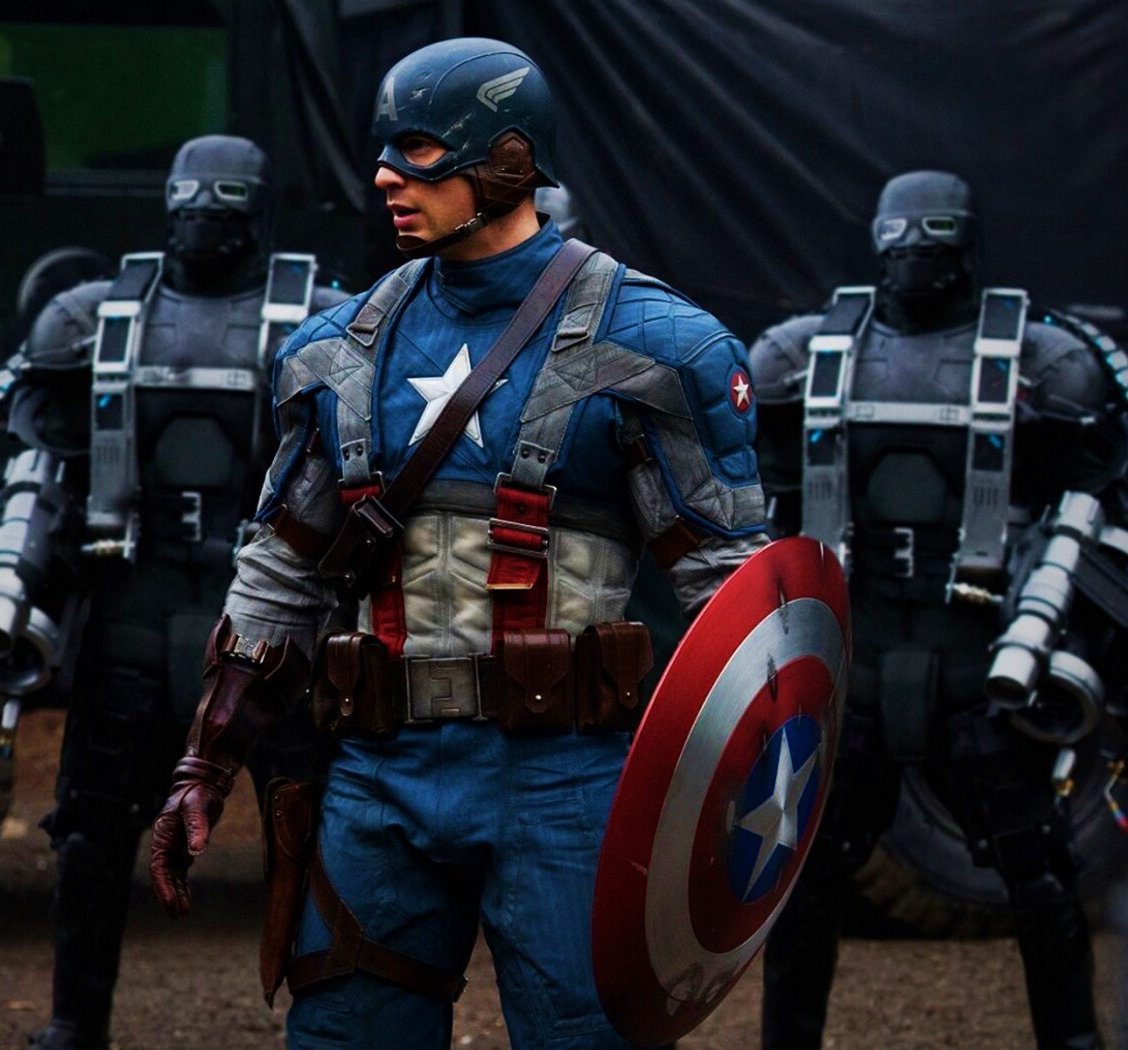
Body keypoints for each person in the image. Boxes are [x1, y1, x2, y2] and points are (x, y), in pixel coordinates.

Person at [147, 38, 769, 1049]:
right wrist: (202, 765)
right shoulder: (333, 351)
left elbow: (730, 596)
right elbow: (283, 569)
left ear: (510, 162)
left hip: (567, 780)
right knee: (346, 1036)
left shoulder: (659, 348)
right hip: (377, 772)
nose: (386, 176)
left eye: (421, 150)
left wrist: (756, 789)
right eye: (383, 151)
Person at [748, 170, 1128, 1050]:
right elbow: (763, 499)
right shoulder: (805, 353)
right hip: (857, 665)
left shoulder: (1043, 358)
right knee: (805, 883)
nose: (915, 251)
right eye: (905, 234)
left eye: (932, 235)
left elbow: (1096, 492)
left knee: (1040, 878)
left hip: (981, 665)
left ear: (965, 243)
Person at [0, 135, 344, 1050]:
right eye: (193, 197)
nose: (204, 213)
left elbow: (362, 476)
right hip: (136, 600)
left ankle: (334, 1024)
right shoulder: (94, 317)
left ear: (255, 209)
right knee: (90, 831)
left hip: (274, 614)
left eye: (223, 198)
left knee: (316, 835)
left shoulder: (321, 319)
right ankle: (73, 1023)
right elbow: (33, 467)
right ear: (169, 201)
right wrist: (6, 591)